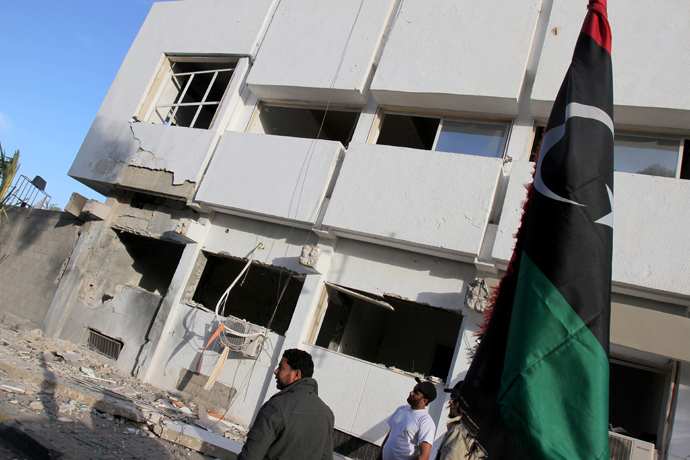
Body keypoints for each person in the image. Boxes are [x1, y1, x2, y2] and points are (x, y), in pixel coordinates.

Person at [238, 348, 335, 460]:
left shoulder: (276, 407)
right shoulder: (327, 414)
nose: (275, 371)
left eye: (281, 368)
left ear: (296, 374)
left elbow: (250, 456)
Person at [378, 377, 437, 460]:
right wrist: (379, 457)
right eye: (413, 390)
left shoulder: (425, 421)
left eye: (416, 393)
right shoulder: (401, 409)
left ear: (424, 401)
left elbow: (424, 456)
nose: (411, 393)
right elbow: (390, 435)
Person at [435, 380, 468, 460]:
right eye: (451, 397)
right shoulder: (457, 427)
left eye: (455, 398)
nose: (450, 401)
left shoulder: (459, 431)